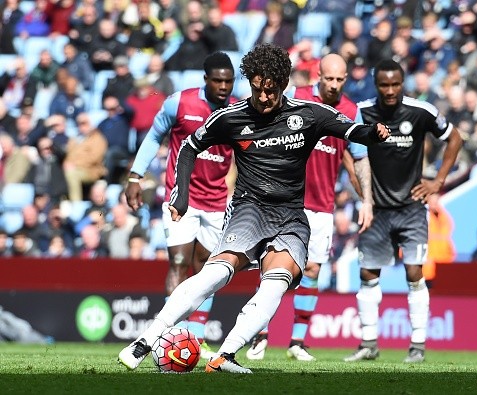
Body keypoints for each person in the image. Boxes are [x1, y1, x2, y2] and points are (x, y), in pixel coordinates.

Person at [118, 43, 389, 374]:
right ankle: (145, 341)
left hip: (291, 216)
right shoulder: (231, 117)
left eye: (270, 91)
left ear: (283, 84)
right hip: (249, 210)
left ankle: (224, 356)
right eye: (257, 89)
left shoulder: (309, 115)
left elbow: (353, 132)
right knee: (215, 273)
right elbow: (189, 147)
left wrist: (373, 133)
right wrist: (181, 192)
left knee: (277, 282)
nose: (263, 98)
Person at [245, 53, 373, 362]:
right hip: (286, 200)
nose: (333, 84)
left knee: (313, 270)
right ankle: (260, 333)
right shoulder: (296, 98)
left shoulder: (350, 111)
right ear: (318, 75)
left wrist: (366, 200)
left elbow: (358, 158)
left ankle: (297, 343)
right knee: (274, 268)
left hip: (322, 206)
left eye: (340, 79)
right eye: (328, 78)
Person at [344, 59, 463, 364]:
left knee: (414, 273)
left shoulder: (420, 111)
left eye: (395, 84)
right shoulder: (363, 112)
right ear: (376, 83)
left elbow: (455, 138)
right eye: (384, 85)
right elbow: (350, 152)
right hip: (378, 212)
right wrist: (364, 196)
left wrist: (437, 181)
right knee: (368, 275)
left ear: (402, 82)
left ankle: (418, 347)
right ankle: (369, 343)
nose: (390, 90)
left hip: (411, 208)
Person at [123, 52, 237, 358]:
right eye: (218, 81)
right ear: (206, 80)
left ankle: (195, 340)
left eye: (229, 81)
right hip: (180, 197)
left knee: (206, 269)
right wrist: (135, 176)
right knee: (178, 261)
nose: (224, 87)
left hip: (216, 202)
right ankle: (169, 336)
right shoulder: (179, 103)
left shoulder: (238, 111)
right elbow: (153, 137)